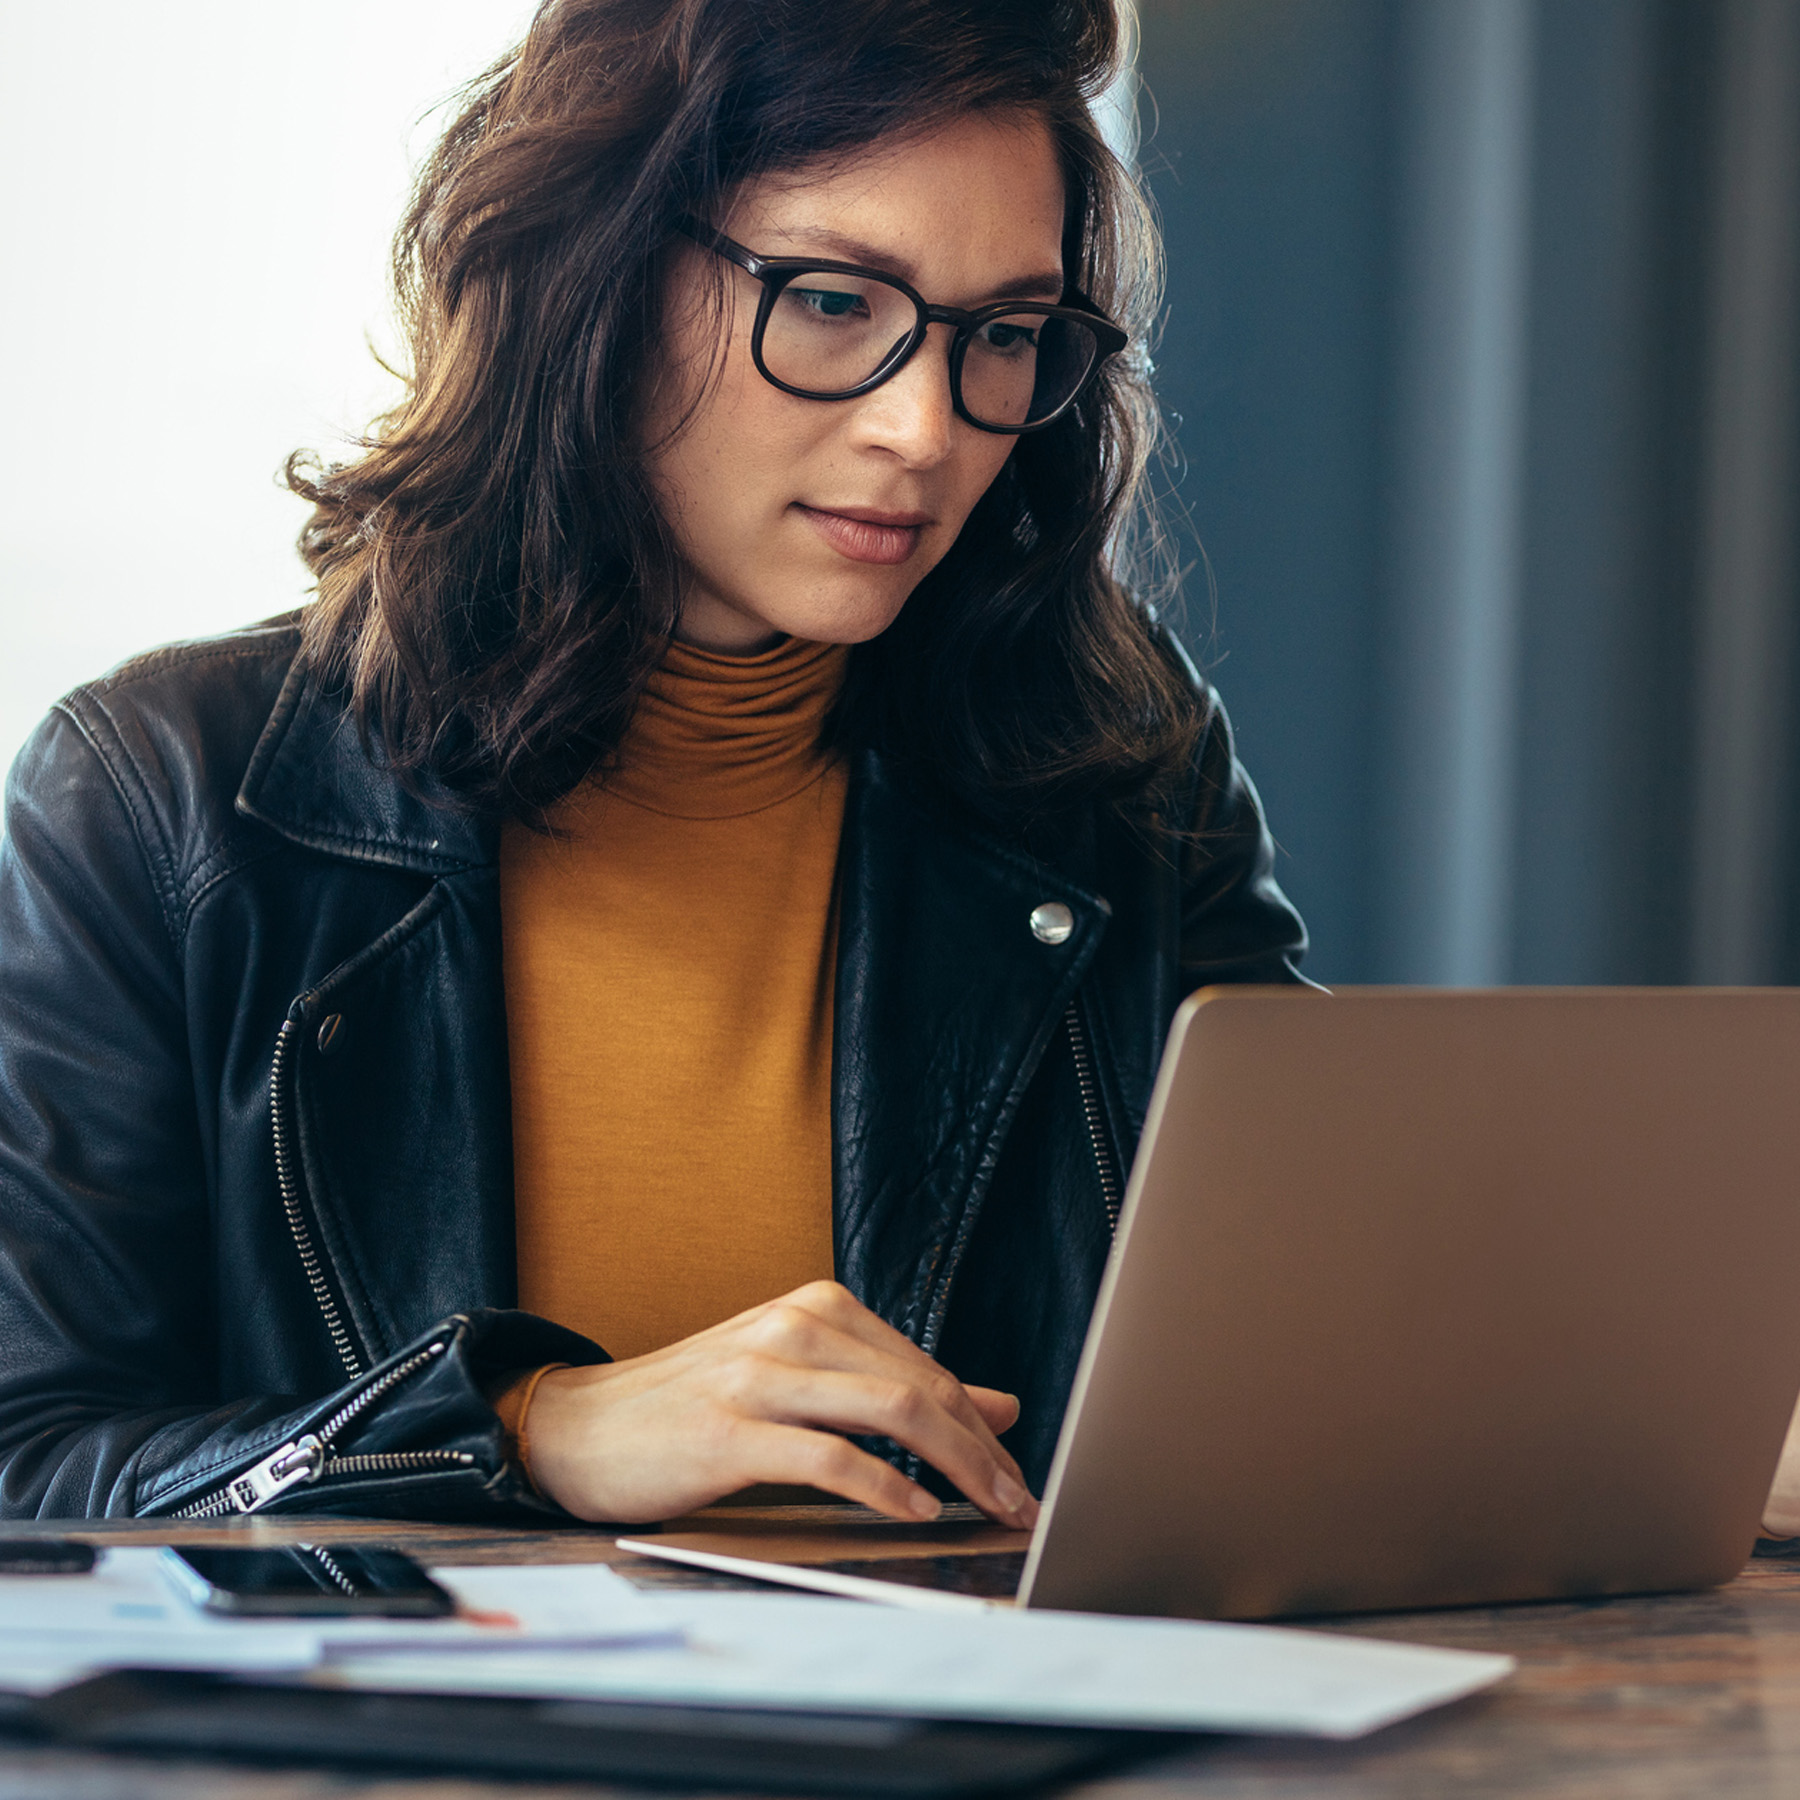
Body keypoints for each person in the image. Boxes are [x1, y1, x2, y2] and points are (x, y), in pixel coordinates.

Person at [0, 0, 1306, 1527]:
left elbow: (1311, 1365)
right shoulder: (161, 799)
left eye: (1003, 337)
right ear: (592, 280)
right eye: (832, 302)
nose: (925, 427)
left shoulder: (1120, 778)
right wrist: (529, 1429)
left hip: (981, 1746)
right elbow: (29, 1470)